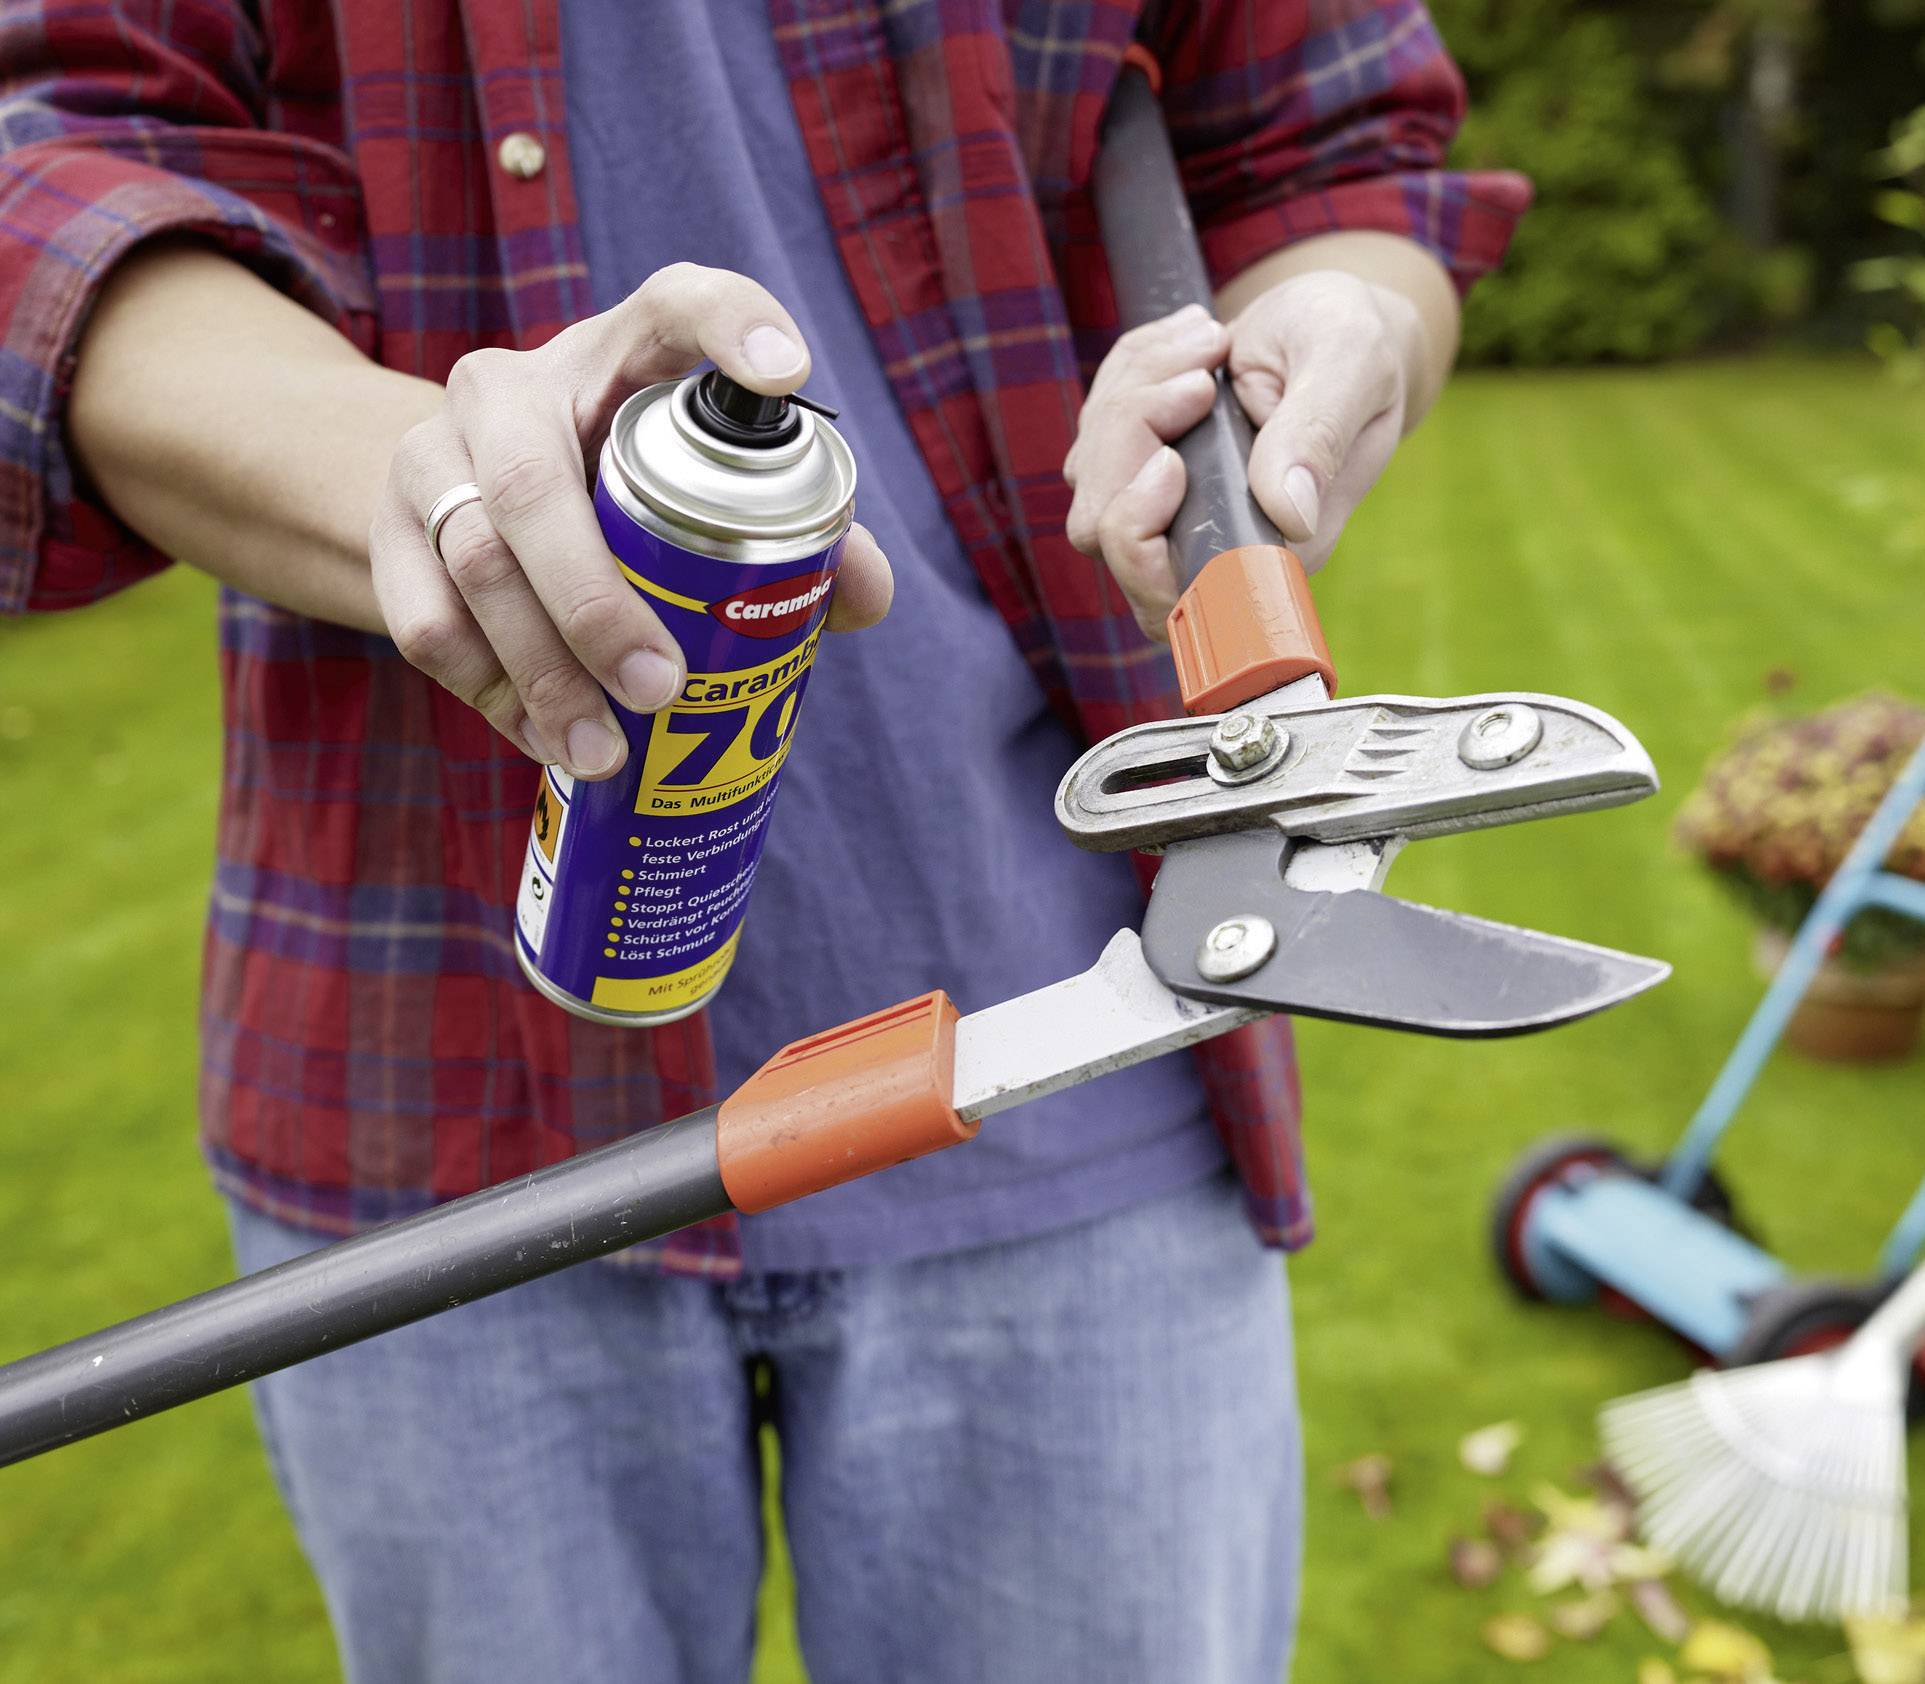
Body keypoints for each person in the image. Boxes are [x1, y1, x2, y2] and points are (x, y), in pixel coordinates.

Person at [0, 1, 1525, 1680]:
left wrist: (1334, 327)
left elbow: (1332, 148)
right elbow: (49, 182)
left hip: (1072, 1040)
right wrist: (433, 485)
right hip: (434, 1097)